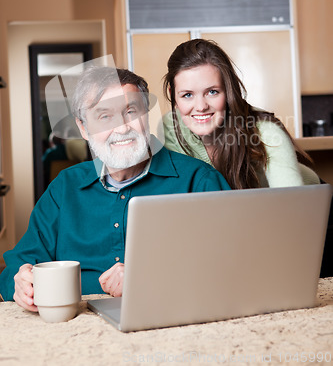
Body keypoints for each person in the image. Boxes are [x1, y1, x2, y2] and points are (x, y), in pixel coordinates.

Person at [0, 66, 230, 310]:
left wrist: (148, 279)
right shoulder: (64, 188)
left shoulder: (199, 181)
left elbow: (233, 267)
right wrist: (18, 282)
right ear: (83, 128)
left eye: (131, 111)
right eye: (104, 117)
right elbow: (18, 265)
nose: (122, 129)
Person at [162, 38, 319, 190]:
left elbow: (291, 205)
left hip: (308, 203)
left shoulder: (265, 130)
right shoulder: (171, 127)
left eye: (212, 92)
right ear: (173, 95)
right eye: (187, 95)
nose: (201, 107)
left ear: (229, 90)